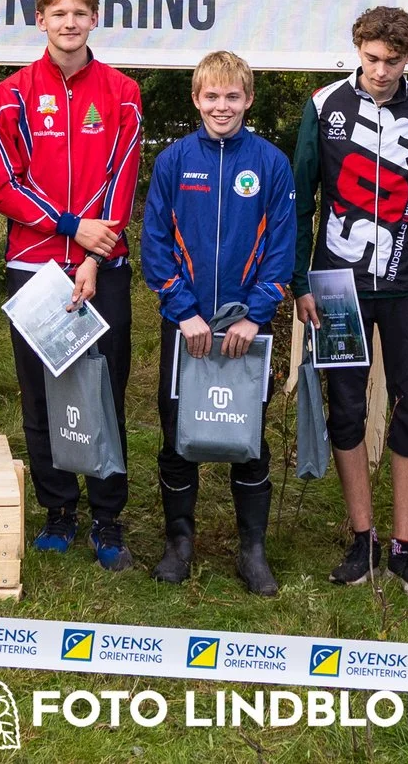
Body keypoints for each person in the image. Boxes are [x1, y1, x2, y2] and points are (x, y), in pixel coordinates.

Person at [291, 5, 408, 603]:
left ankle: (405, 548)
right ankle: (362, 539)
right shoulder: (325, 105)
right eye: (371, 57)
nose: (380, 70)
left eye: (392, 60)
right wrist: (297, 278)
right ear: (357, 48)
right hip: (336, 282)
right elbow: (299, 192)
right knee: (346, 407)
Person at [0, 0, 143, 570]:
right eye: (58, 14)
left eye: (80, 13)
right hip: (34, 266)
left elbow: (121, 179)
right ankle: (58, 510)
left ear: (94, 19)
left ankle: (106, 516)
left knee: (104, 387)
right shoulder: (13, 94)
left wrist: (94, 255)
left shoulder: (123, 92)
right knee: (42, 389)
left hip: (105, 266)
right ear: (40, 20)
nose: (69, 23)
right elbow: (4, 184)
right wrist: (70, 228)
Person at [142, 50, 294, 595]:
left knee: (246, 432)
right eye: (212, 96)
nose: (222, 106)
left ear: (248, 100)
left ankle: (251, 549)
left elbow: (281, 246)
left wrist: (256, 315)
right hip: (186, 326)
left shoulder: (272, 164)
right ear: (196, 99)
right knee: (177, 425)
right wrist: (182, 311)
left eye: (233, 97)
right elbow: (155, 242)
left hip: (248, 330)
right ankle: (178, 543)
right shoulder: (174, 161)